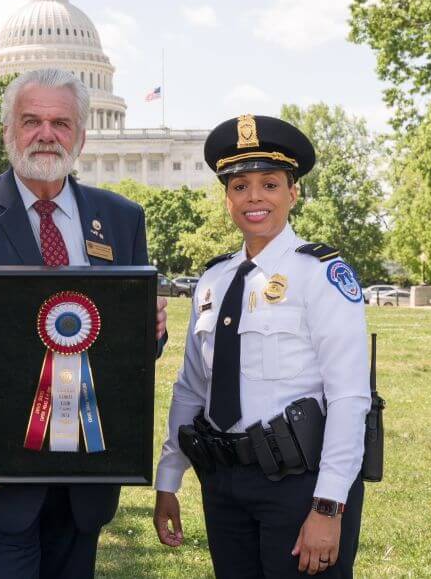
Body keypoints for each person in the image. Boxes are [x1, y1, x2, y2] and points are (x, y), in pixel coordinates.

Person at [0, 68, 168, 578]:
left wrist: (146, 332)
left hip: (85, 475)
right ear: (8, 132)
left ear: (82, 135)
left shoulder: (120, 218)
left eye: (61, 123)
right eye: (31, 121)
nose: (46, 134)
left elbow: (122, 352)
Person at [153, 114, 371, 577]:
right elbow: (191, 389)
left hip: (299, 486)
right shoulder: (212, 281)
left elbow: (350, 397)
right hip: (224, 483)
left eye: (269, 184)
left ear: (292, 194)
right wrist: (169, 479)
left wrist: (329, 506)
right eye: (239, 186)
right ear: (227, 198)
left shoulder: (320, 274)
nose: (254, 197)